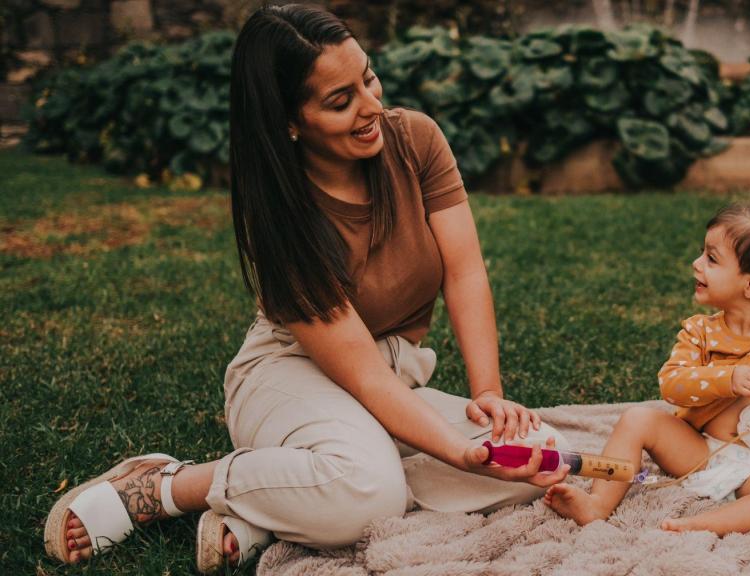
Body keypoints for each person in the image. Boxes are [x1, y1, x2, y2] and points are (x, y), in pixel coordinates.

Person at [43, 4, 570, 572]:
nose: (371, 108)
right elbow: (361, 376)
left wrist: (487, 394)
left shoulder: (415, 139)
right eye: (340, 102)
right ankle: (166, 485)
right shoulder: (282, 217)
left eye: (367, 78)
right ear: (290, 121)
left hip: (391, 376)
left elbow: (465, 272)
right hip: (290, 376)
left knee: (545, 455)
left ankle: (273, 505)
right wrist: (461, 452)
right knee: (374, 492)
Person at [544, 177, 750, 535]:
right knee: (638, 418)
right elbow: (672, 385)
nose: (696, 263)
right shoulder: (700, 331)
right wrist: (725, 379)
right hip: (699, 452)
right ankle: (597, 504)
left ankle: (704, 524)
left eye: (711, 259)